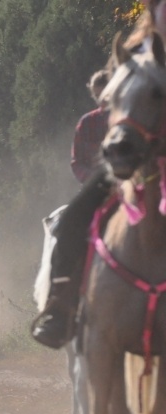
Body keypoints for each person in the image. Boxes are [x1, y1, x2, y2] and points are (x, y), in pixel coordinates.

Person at [31, 5, 163, 349]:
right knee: (71, 219)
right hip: (128, 167)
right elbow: (79, 159)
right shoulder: (140, 46)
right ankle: (60, 307)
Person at [71, 71, 110, 185]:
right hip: (97, 187)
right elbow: (76, 163)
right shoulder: (86, 123)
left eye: (106, 95)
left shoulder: (128, 119)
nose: (102, 100)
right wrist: (93, 178)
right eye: (98, 96)